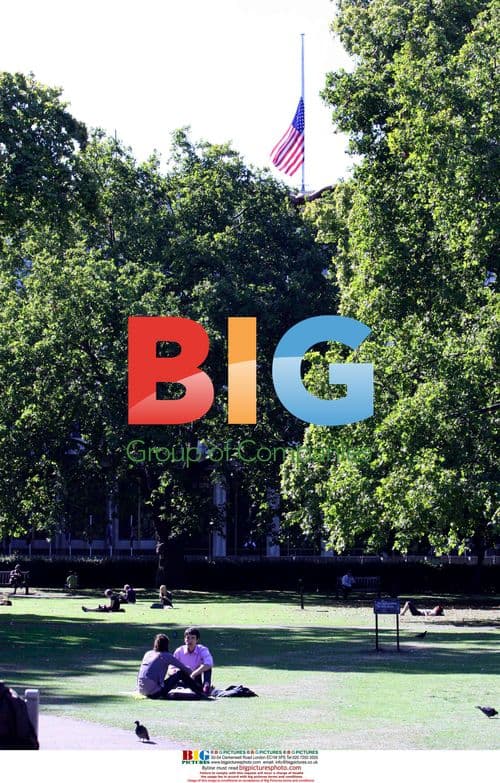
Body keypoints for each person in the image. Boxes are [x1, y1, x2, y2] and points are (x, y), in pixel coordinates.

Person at [137, 634, 207, 699]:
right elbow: (185, 669)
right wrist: (195, 676)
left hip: (141, 690)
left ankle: (195, 689)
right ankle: (200, 692)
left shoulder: (148, 653)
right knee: (180, 673)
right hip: (154, 693)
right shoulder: (166, 655)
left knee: (175, 675)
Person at [168, 627, 214, 693]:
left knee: (207, 668)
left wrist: (193, 674)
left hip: (196, 677)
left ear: (197, 640)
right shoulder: (179, 651)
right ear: (184, 639)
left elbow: (209, 663)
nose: (189, 640)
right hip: (183, 678)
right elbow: (170, 669)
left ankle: (206, 686)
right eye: (187, 638)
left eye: (192, 638)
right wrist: (176, 672)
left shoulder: (202, 649)